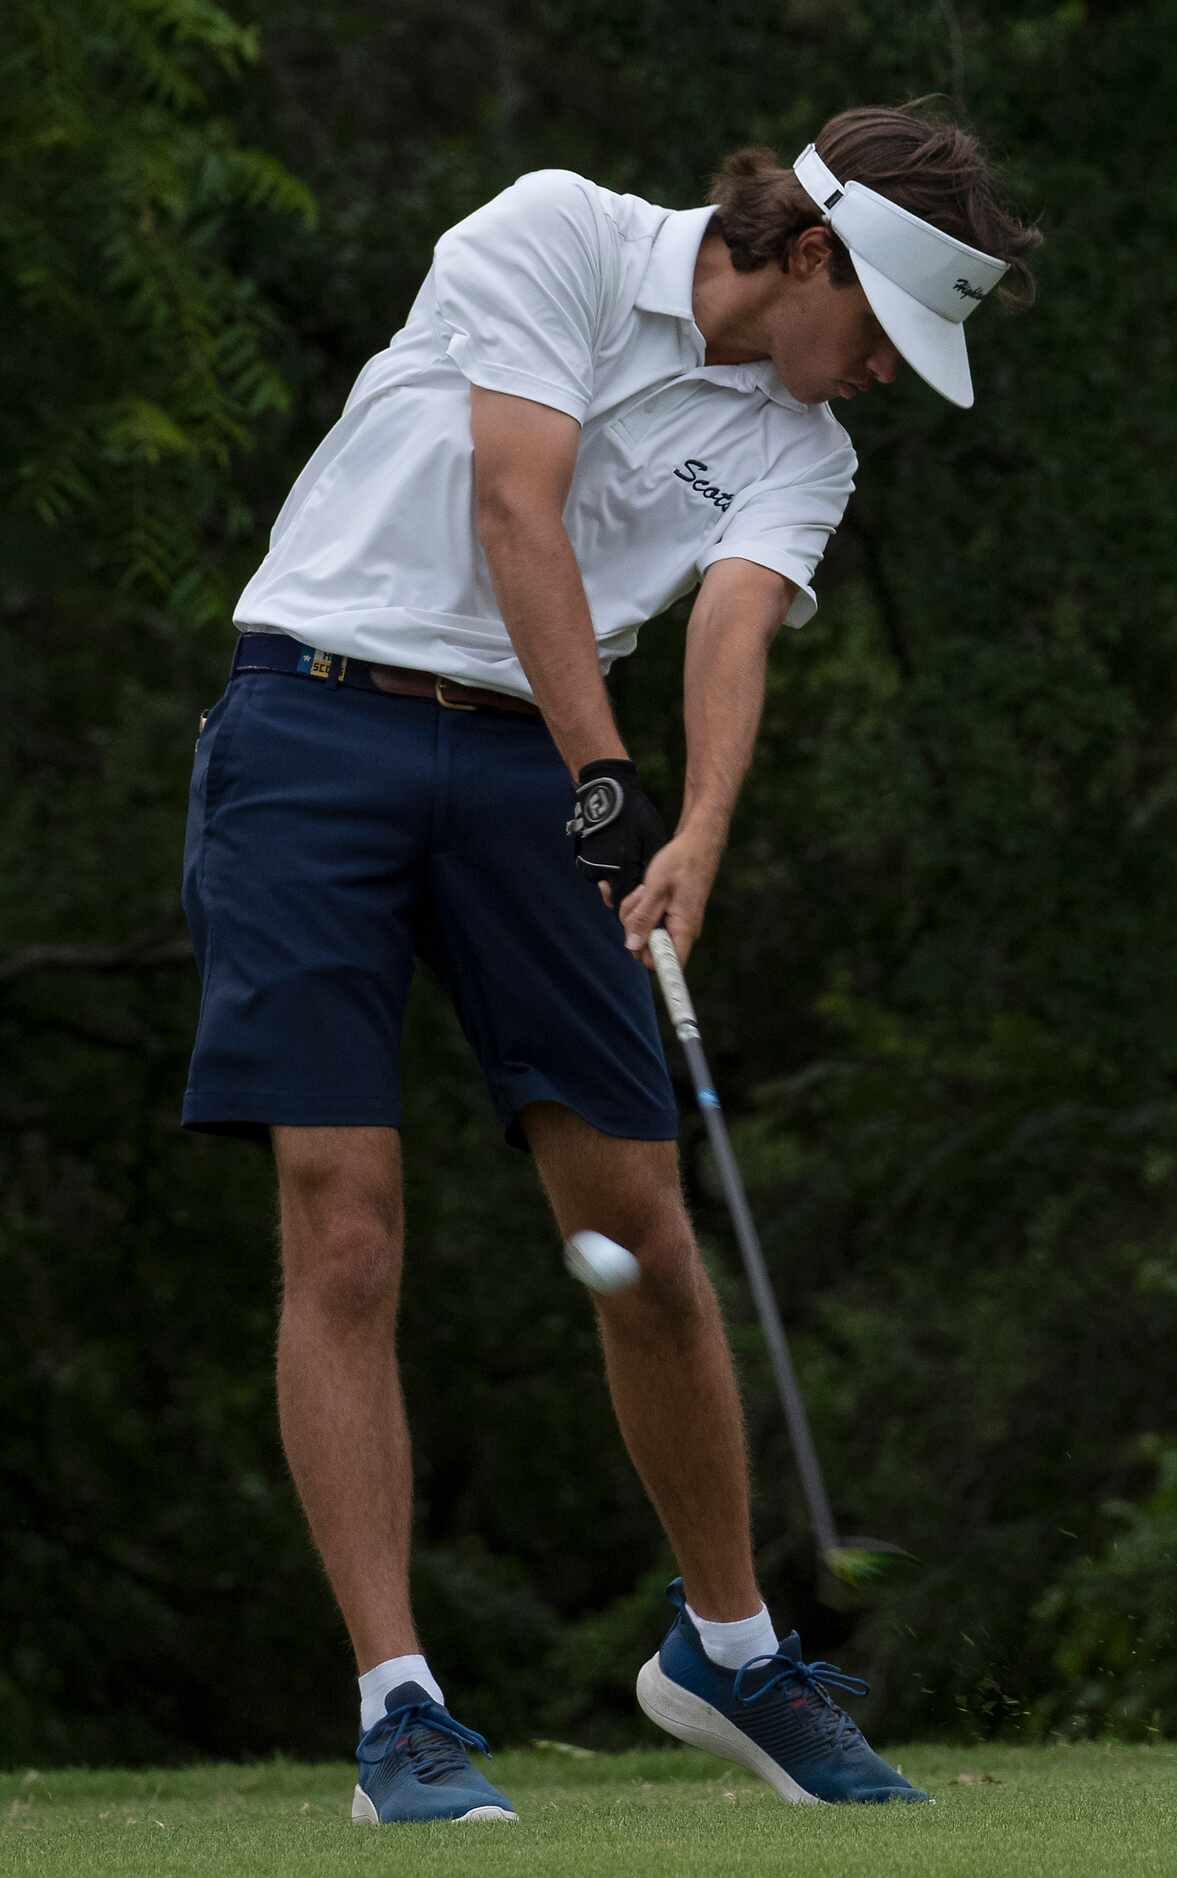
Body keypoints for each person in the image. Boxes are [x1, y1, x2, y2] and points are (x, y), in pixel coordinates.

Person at [180, 102, 1039, 1823]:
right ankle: (397, 1710)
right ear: (809, 254)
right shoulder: (553, 231)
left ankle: (723, 1650)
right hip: (314, 724)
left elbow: (727, 628)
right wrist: (602, 773)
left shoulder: (810, 445)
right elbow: (521, 505)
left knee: (643, 1231)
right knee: (343, 1217)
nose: (881, 370)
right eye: (877, 330)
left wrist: (690, 830)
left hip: (526, 777)